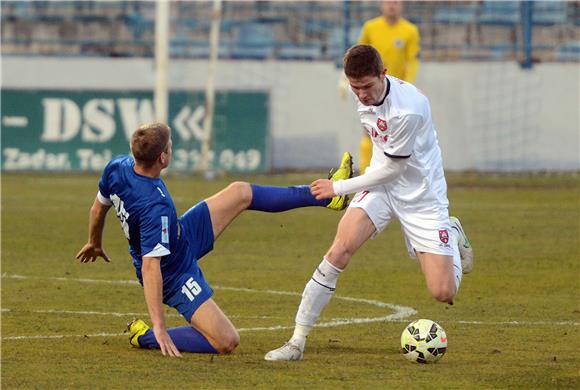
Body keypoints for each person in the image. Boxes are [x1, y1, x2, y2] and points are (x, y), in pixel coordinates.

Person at [264, 44, 473, 361]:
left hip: (421, 198)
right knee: (338, 251)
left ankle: (452, 232)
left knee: (443, 292)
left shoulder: (410, 109)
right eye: (354, 87)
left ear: (384, 73)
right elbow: (382, 160)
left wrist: (339, 187)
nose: (361, 95)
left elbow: (395, 168)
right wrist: (356, 181)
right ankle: (296, 342)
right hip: (380, 188)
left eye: (366, 87)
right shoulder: (362, 96)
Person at [75, 122, 353, 357]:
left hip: (180, 234)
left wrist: (94, 242)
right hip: (173, 272)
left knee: (240, 192)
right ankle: (145, 337)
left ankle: (328, 195)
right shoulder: (153, 207)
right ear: (163, 157)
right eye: (170, 146)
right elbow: (150, 267)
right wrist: (158, 326)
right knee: (226, 340)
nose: (172, 149)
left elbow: (98, 207)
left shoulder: (117, 167)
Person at [357, 0, 421, 175]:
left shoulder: (410, 31)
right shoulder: (371, 27)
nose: (391, 5)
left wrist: (408, 86)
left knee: (399, 133)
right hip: (372, 89)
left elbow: (412, 60)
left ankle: (401, 173)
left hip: (397, 92)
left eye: (395, 2)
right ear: (381, 5)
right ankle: (366, 174)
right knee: (370, 131)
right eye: (388, 2)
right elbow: (359, 54)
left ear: (402, 5)